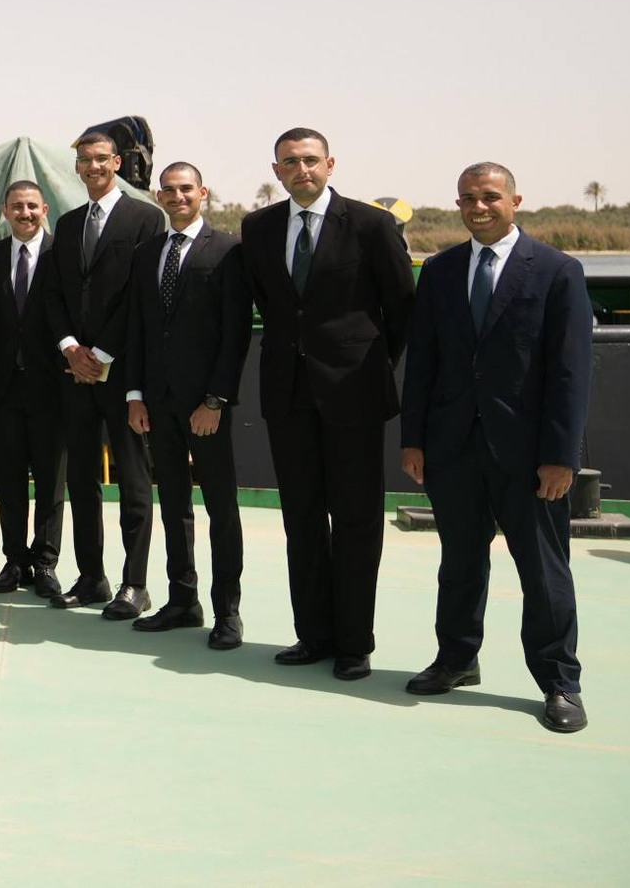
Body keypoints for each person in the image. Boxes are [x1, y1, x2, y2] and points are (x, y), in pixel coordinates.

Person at [400, 163, 592, 733]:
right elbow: (423, 362)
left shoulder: (557, 271)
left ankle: (560, 682)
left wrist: (561, 456)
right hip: (453, 448)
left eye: (489, 197)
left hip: (530, 456)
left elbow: (570, 373)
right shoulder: (439, 271)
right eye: (467, 199)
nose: (478, 207)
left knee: (544, 572)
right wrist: (414, 440)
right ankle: (457, 658)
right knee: (460, 562)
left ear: (515, 201)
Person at [241, 128, 413, 680]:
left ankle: (354, 643)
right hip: (288, 396)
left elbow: (401, 311)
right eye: (290, 162)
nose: (302, 170)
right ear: (277, 171)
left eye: (311, 160)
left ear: (331, 164)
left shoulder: (370, 225)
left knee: (358, 520)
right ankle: (313, 635)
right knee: (303, 519)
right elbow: (272, 305)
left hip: (354, 397)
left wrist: (366, 366)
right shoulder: (258, 228)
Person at [122, 164, 254, 649]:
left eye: (185, 189)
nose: (177, 197)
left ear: (202, 193)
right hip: (158, 404)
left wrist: (215, 400)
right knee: (174, 505)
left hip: (206, 407)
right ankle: (183, 601)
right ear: (159, 196)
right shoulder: (147, 253)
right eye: (169, 190)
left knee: (221, 508)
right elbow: (138, 327)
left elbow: (236, 332)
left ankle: (227, 612)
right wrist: (135, 395)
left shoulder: (228, 251)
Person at [45, 130, 164, 617]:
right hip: (75, 374)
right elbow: (54, 293)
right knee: (81, 480)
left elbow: (141, 293)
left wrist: (102, 354)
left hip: (123, 372)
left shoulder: (145, 218)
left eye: (100, 159)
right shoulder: (69, 223)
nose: (92, 167)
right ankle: (91, 577)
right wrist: (72, 349)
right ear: (76, 167)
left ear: (116, 162)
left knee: (134, 483)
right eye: (84, 160)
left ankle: (135, 583)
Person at [0, 181, 65, 600]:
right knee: (7, 482)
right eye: (17, 206)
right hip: (2, 390)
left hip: (52, 389)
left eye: (31, 206)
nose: (25, 213)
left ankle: (45, 563)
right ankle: (14, 560)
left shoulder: (62, 254)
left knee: (50, 483)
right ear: (5, 212)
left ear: (44, 209)